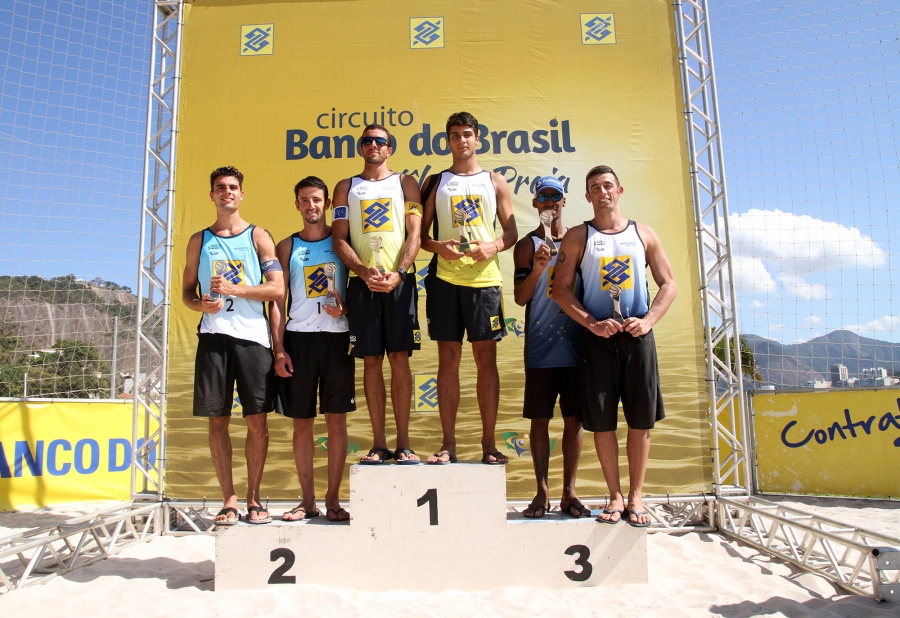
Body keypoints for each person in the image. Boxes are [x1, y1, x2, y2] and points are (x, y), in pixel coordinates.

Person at [553, 165, 677, 527]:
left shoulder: (644, 233)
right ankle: (615, 495)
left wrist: (649, 320)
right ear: (588, 197)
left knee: (640, 421)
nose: (603, 192)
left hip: (638, 337)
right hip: (598, 341)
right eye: (595, 188)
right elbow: (560, 289)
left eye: (608, 185)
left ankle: (637, 495)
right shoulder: (579, 236)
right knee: (603, 423)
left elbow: (668, 284)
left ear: (619, 190)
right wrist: (591, 322)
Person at [181, 165, 284, 526]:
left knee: (257, 423)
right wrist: (201, 305)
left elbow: (276, 290)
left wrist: (235, 290)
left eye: (233, 187)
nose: (227, 192)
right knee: (217, 423)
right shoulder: (199, 240)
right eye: (220, 187)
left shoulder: (259, 237)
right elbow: (186, 294)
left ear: (242, 195)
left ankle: (255, 499)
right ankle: (229, 500)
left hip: (253, 339)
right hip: (213, 338)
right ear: (212, 195)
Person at [420, 111, 518, 465]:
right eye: (455, 135)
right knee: (448, 360)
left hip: (484, 282)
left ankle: (489, 444)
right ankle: (449, 444)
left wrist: (492, 247)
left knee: (485, 361)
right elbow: (420, 237)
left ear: (478, 139)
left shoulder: (495, 181)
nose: (462, 140)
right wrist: (439, 247)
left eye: (467, 134)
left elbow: (511, 232)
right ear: (447, 141)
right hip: (445, 281)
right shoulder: (435, 181)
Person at [332, 124, 423, 464]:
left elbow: (414, 234)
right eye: (367, 140)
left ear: (389, 149)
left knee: (399, 359)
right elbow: (339, 238)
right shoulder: (346, 187)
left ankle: (404, 443)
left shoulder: (405, 183)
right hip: (363, 285)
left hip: (400, 283)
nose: (373, 145)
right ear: (361, 148)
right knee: (371, 362)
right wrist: (361, 272)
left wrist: (399, 273)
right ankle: (378, 444)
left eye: (379, 141)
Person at [270, 176, 355, 523]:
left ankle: (333, 499)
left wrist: (346, 309)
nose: (311, 206)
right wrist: (279, 348)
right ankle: (307, 501)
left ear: (326, 204)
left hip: (336, 339)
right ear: (297, 205)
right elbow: (276, 302)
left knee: (336, 423)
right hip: (299, 340)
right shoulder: (286, 247)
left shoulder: (342, 244)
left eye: (317, 200)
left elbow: (359, 290)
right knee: (302, 425)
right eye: (304, 200)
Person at [512, 176, 588, 518]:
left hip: (576, 350)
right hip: (541, 350)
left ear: (564, 202)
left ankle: (569, 492)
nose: (549, 202)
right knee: (540, 421)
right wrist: (538, 268)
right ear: (535, 204)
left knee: (574, 422)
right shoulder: (527, 246)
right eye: (542, 197)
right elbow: (520, 297)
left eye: (555, 197)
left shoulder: (580, 240)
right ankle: (541, 491)